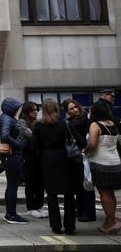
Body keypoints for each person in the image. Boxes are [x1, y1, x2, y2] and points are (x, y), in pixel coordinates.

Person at [31, 99, 85, 235]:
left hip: (47, 159)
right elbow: (80, 141)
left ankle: (56, 226)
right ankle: (70, 226)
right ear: (57, 109)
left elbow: (33, 145)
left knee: (51, 193)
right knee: (68, 193)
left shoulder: (38, 126)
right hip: (66, 159)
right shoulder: (65, 124)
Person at [84, 102, 121, 234]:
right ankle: (110, 220)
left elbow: (93, 144)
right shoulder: (112, 124)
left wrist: (85, 150)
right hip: (115, 161)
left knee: (104, 192)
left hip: (101, 162)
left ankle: (111, 222)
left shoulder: (95, 125)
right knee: (111, 192)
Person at [63, 98, 96, 223]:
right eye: (71, 109)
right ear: (67, 111)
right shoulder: (70, 121)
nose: (75, 109)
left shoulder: (84, 119)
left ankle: (88, 212)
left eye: (76, 106)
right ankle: (81, 209)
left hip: (84, 154)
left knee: (87, 184)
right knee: (80, 184)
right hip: (76, 156)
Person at [0, 97, 28, 225]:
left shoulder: (5, 117)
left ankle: (11, 213)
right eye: (15, 108)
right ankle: (11, 214)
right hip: (12, 155)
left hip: (10, 155)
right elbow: (4, 135)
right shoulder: (7, 119)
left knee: (12, 185)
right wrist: (18, 144)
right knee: (12, 185)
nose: (17, 110)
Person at [19, 101, 48, 220]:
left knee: (40, 182)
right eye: (33, 110)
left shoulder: (37, 122)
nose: (35, 112)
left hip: (39, 154)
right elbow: (32, 136)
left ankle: (39, 206)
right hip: (28, 154)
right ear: (27, 111)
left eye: (36, 110)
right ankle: (31, 207)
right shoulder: (22, 122)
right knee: (31, 182)